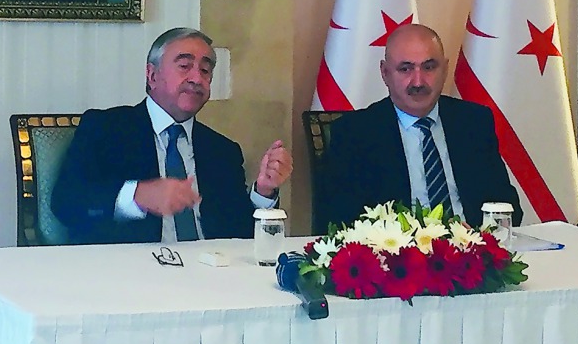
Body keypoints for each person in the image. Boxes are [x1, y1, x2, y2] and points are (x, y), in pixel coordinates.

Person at [51, 27, 294, 244]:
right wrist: (137, 195)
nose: (197, 78)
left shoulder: (221, 149)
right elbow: (66, 202)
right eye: (184, 66)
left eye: (205, 70)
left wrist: (263, 191)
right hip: (131, 276)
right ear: (152, 75)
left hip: (210, 277)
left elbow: (238, 234)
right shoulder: (106, 128)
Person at [315, 23, 522, 230]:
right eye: (405, 69)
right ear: (385, 73)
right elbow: (336, 220)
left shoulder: (473, 122)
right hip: (396, 256)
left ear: (445, 69)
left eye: (429, 67)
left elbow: (506, 206)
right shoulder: (355, 133)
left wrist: (478, 236)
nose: (418, 81)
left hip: (471, 252)